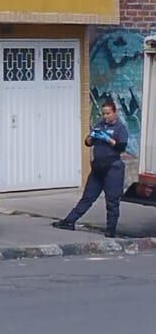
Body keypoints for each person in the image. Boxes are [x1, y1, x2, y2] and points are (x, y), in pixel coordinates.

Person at [52, 98, 128, 237]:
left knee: (112, 201)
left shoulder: (120, 128)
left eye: (108, 113)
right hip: (98, 167)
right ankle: (69, 221)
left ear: (114, 113)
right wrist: (91, 136)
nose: (105, 117)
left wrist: (108, 139)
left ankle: (111, 230)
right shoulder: (100, 125)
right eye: (103, 114)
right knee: (87, 197)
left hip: (113, 168)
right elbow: (87, 143)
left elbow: (121, 147)